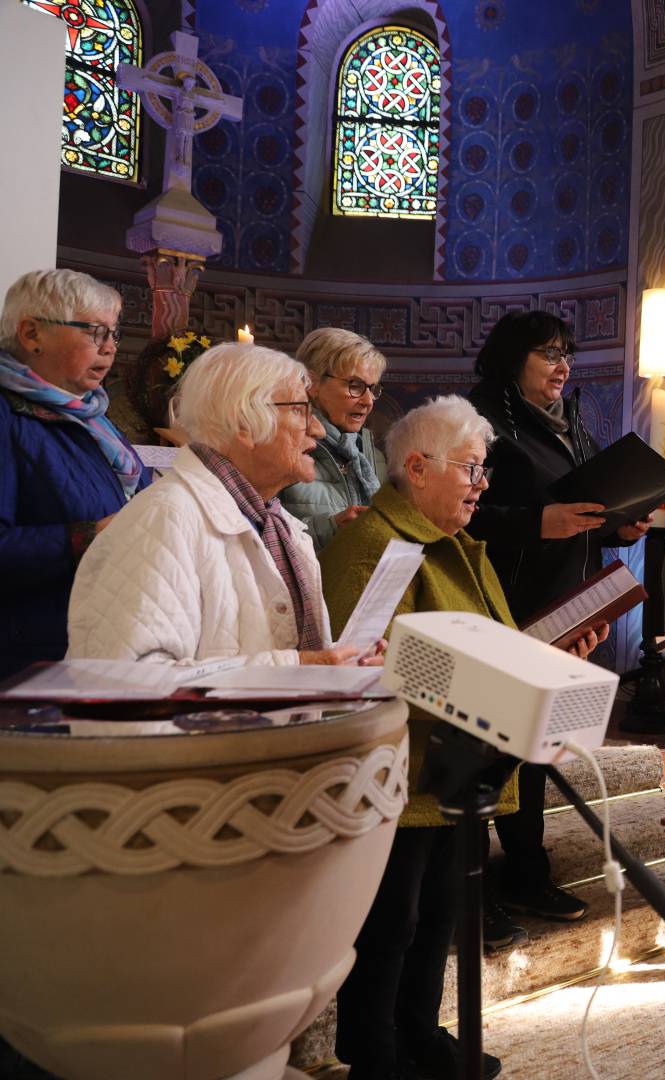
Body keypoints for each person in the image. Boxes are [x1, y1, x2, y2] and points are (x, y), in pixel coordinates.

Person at [320, 395, 600, 1080]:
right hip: (400, 772)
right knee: (390, 926)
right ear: (418, 467)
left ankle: (421, 1032)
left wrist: (554, 657)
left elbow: (485, 649)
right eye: (472, 469)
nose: (483, 485)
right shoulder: (373, 542)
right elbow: (373, 662)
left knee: (438, 919)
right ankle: (374, 1055)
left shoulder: (459, 546)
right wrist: (505, 685)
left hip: (459, 768)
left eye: (483, 471)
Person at [465, 310, 650, 921]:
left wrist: (622, 526)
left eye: (567, 354)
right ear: (513, 357)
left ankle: (525, 872)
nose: (563, 366)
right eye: (548, 353)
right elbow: (457, 514)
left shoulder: (573, 426)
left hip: (570, 605)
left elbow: (585, 515)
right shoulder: (481, 421)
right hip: (504, 605)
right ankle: (472, 884)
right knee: (489, 749)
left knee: (537, 744)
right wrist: (535, 524)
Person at [67, 343, 374, 668]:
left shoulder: (280, 524)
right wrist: (299, 668)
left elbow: (268, 646)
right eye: (300, 410)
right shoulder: (164, 519)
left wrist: (344, 662)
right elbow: (126, 685)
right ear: (244, 424)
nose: (318, 429)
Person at [0, 268, 150, 680]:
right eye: (94, 332)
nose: (110, 349)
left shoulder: (94, 418)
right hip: (29, 662)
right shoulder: (6, 414)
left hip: (101, 642)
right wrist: (89, 536)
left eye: (113, 334)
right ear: (32, 334)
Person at [279, 327, 388, 551]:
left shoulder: (373, 457)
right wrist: (330, 528)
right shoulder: (280, 448)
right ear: (312, 383)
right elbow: (258, 536)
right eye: (355, 386)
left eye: (372, 388)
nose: (368, 401)